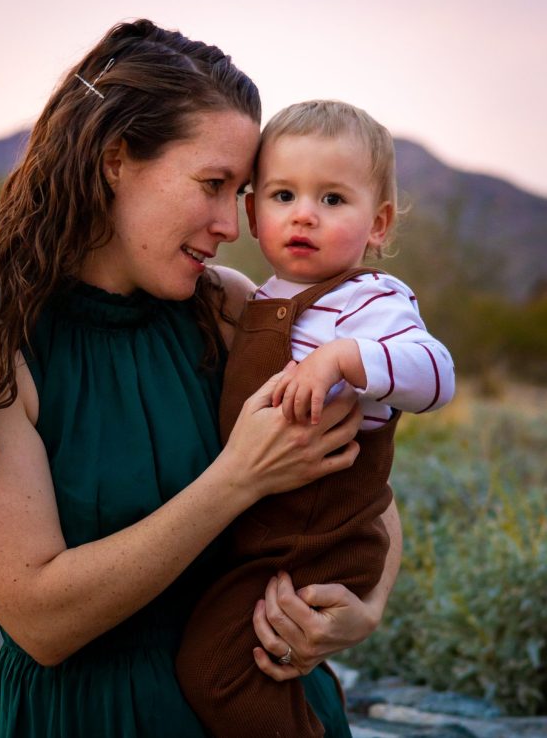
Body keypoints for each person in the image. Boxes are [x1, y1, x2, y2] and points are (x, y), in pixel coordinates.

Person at [0, 24, 402, 738]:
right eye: (213, 185)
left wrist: (364, 607)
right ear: (114, 160)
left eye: (245, 192)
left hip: (274, 707)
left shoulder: (229, 309)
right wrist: (238, 478)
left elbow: (363, 483)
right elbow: (41, 620)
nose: (233, 224)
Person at [176, 100, 455, 737]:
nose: (304, 213)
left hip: (322, 541)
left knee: (219, 668)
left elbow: (438, 374)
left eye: (333, 200)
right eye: (282, 194)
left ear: (378, 223)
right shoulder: (257, 300)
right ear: (252, 212)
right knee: (235, 660)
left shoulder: (373, 302)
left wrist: (345, 359)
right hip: (265, 538)